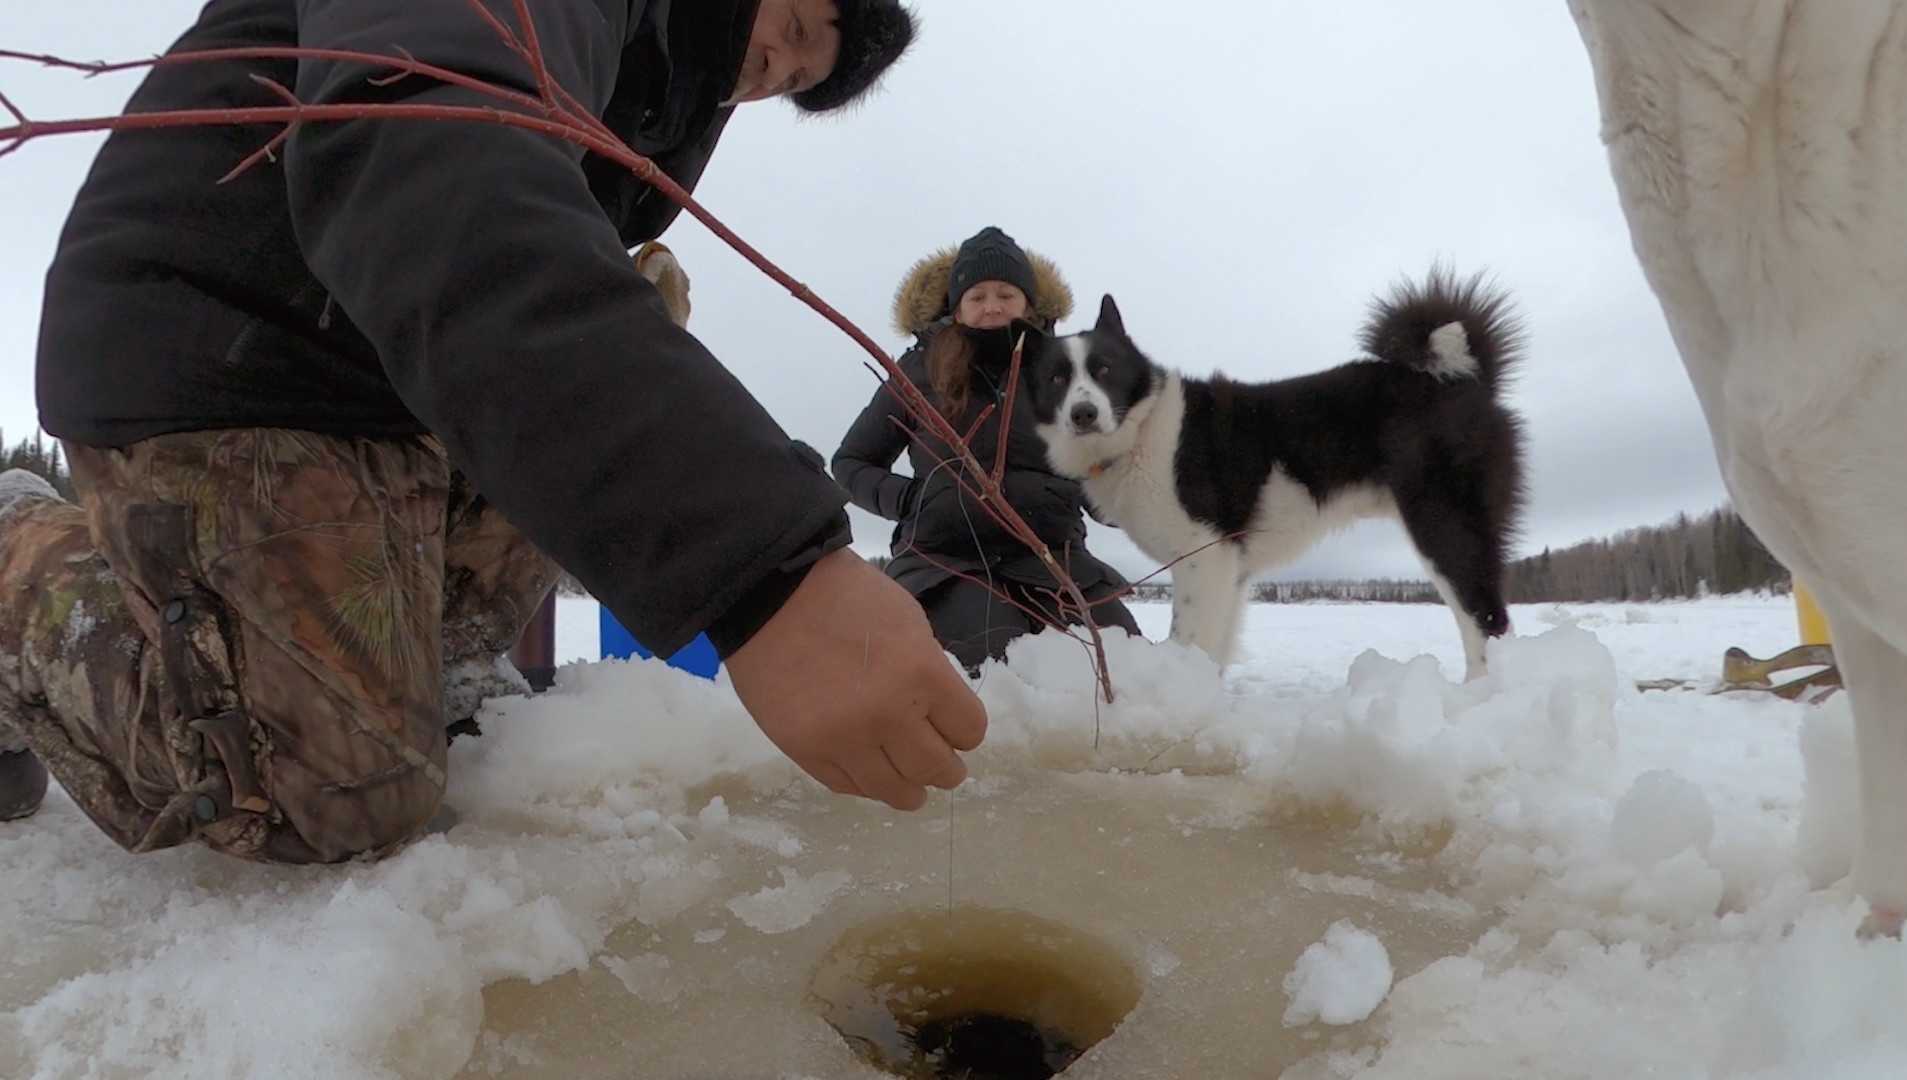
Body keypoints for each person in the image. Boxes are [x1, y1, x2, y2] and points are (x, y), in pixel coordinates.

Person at [0, 0, 989, 864]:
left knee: (454, 676)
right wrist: (767, 576)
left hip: (382, 392)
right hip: (223, 355)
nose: (778, 68)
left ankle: (396, 670)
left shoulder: (645, 88)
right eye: (797, 26)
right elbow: (423, 166)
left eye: (801, 78)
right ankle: (19, 570)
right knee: (331, 789)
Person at [832, 227, 1140, 671]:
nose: (992, 306)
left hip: (1057, 561)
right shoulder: (917, 372)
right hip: (943, 564)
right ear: (957, 307)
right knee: (987, 665)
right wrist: (912, 500)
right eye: (977, 296)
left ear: (1029, 305)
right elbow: (851, 462)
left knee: (1122, 662)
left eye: (1006, 294)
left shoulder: (1068, 370)